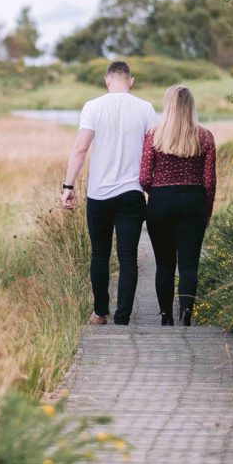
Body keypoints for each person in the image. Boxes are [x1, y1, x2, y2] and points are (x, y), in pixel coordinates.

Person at [61, 60, 158, 326]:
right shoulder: (146, 109)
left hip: (99, 194)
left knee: (100, 254)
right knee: (128, 255)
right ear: (131, 80)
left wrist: (68, 186)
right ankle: (123, 317)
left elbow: (80, 148)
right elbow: (155, 151)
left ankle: (100, 312)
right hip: (132, 192)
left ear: (107, 80)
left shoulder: (93, 107)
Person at [139, 85, 217, 327]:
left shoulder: (155, 135)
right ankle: (186, 315)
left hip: (161, 201)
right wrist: (206, 211)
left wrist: (159, 193)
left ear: (169, 106)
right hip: (193, 201)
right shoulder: (204, 136)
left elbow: (143, 177)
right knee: (189, 264)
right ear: (191, 106)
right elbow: (209, 181)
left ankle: (165, 316)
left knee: (163, 264)